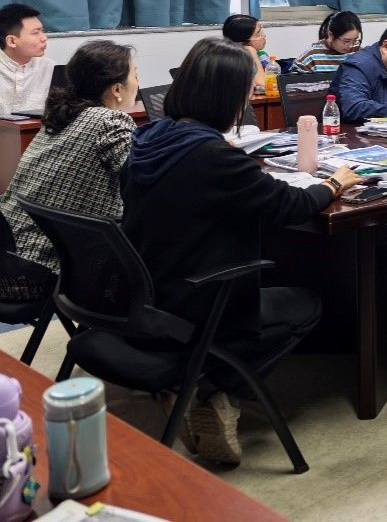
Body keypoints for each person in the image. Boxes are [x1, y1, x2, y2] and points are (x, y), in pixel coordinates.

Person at [123, 37, 363, 466]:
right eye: (246, 94)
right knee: (306, 304)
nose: (248, 101)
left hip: (145, 288)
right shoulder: (212, 155)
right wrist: (334, 183)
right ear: (226, 98)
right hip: (198, 297)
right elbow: (288, 205)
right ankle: (218, 390)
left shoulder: (151, 134)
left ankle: (183, 384)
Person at [0, 41, 138, 302]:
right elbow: (144, 181)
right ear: (116, 89)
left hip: (4, 261)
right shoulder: (110, 121)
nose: (137, 82)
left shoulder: (61, 116)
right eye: (135, 75)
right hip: (42, 272)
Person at [292, 11, 363, 74]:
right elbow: (294, 83)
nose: (351, 46)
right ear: (330, 35)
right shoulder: (310, 58)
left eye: (355, 40)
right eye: (346, 41)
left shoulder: (359, 53)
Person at [221, 13, 267, 93]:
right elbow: (263, 84)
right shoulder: (234, 61)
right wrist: (251, 51)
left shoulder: (261, 54)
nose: (264, 36)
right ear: (242, 41)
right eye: (258, 34)